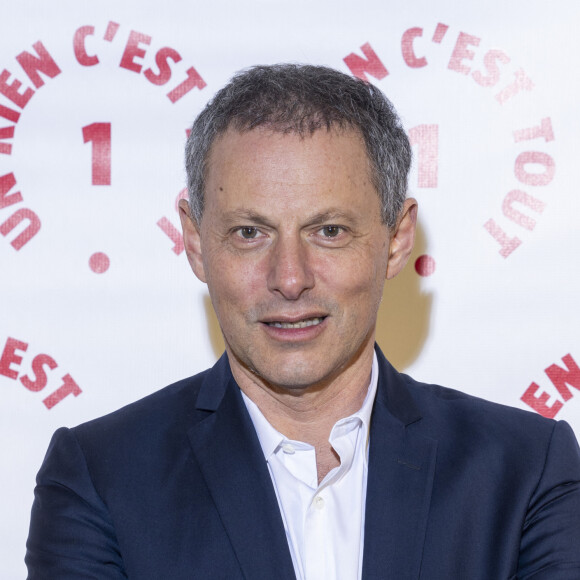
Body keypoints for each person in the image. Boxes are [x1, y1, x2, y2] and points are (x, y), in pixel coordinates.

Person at [26, 64, 580, 579]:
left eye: (329, 231)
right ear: (195, 243)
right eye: (250, 233)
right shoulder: (100, 479)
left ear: (396, 239)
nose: (289, 279)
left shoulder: (526, 472)